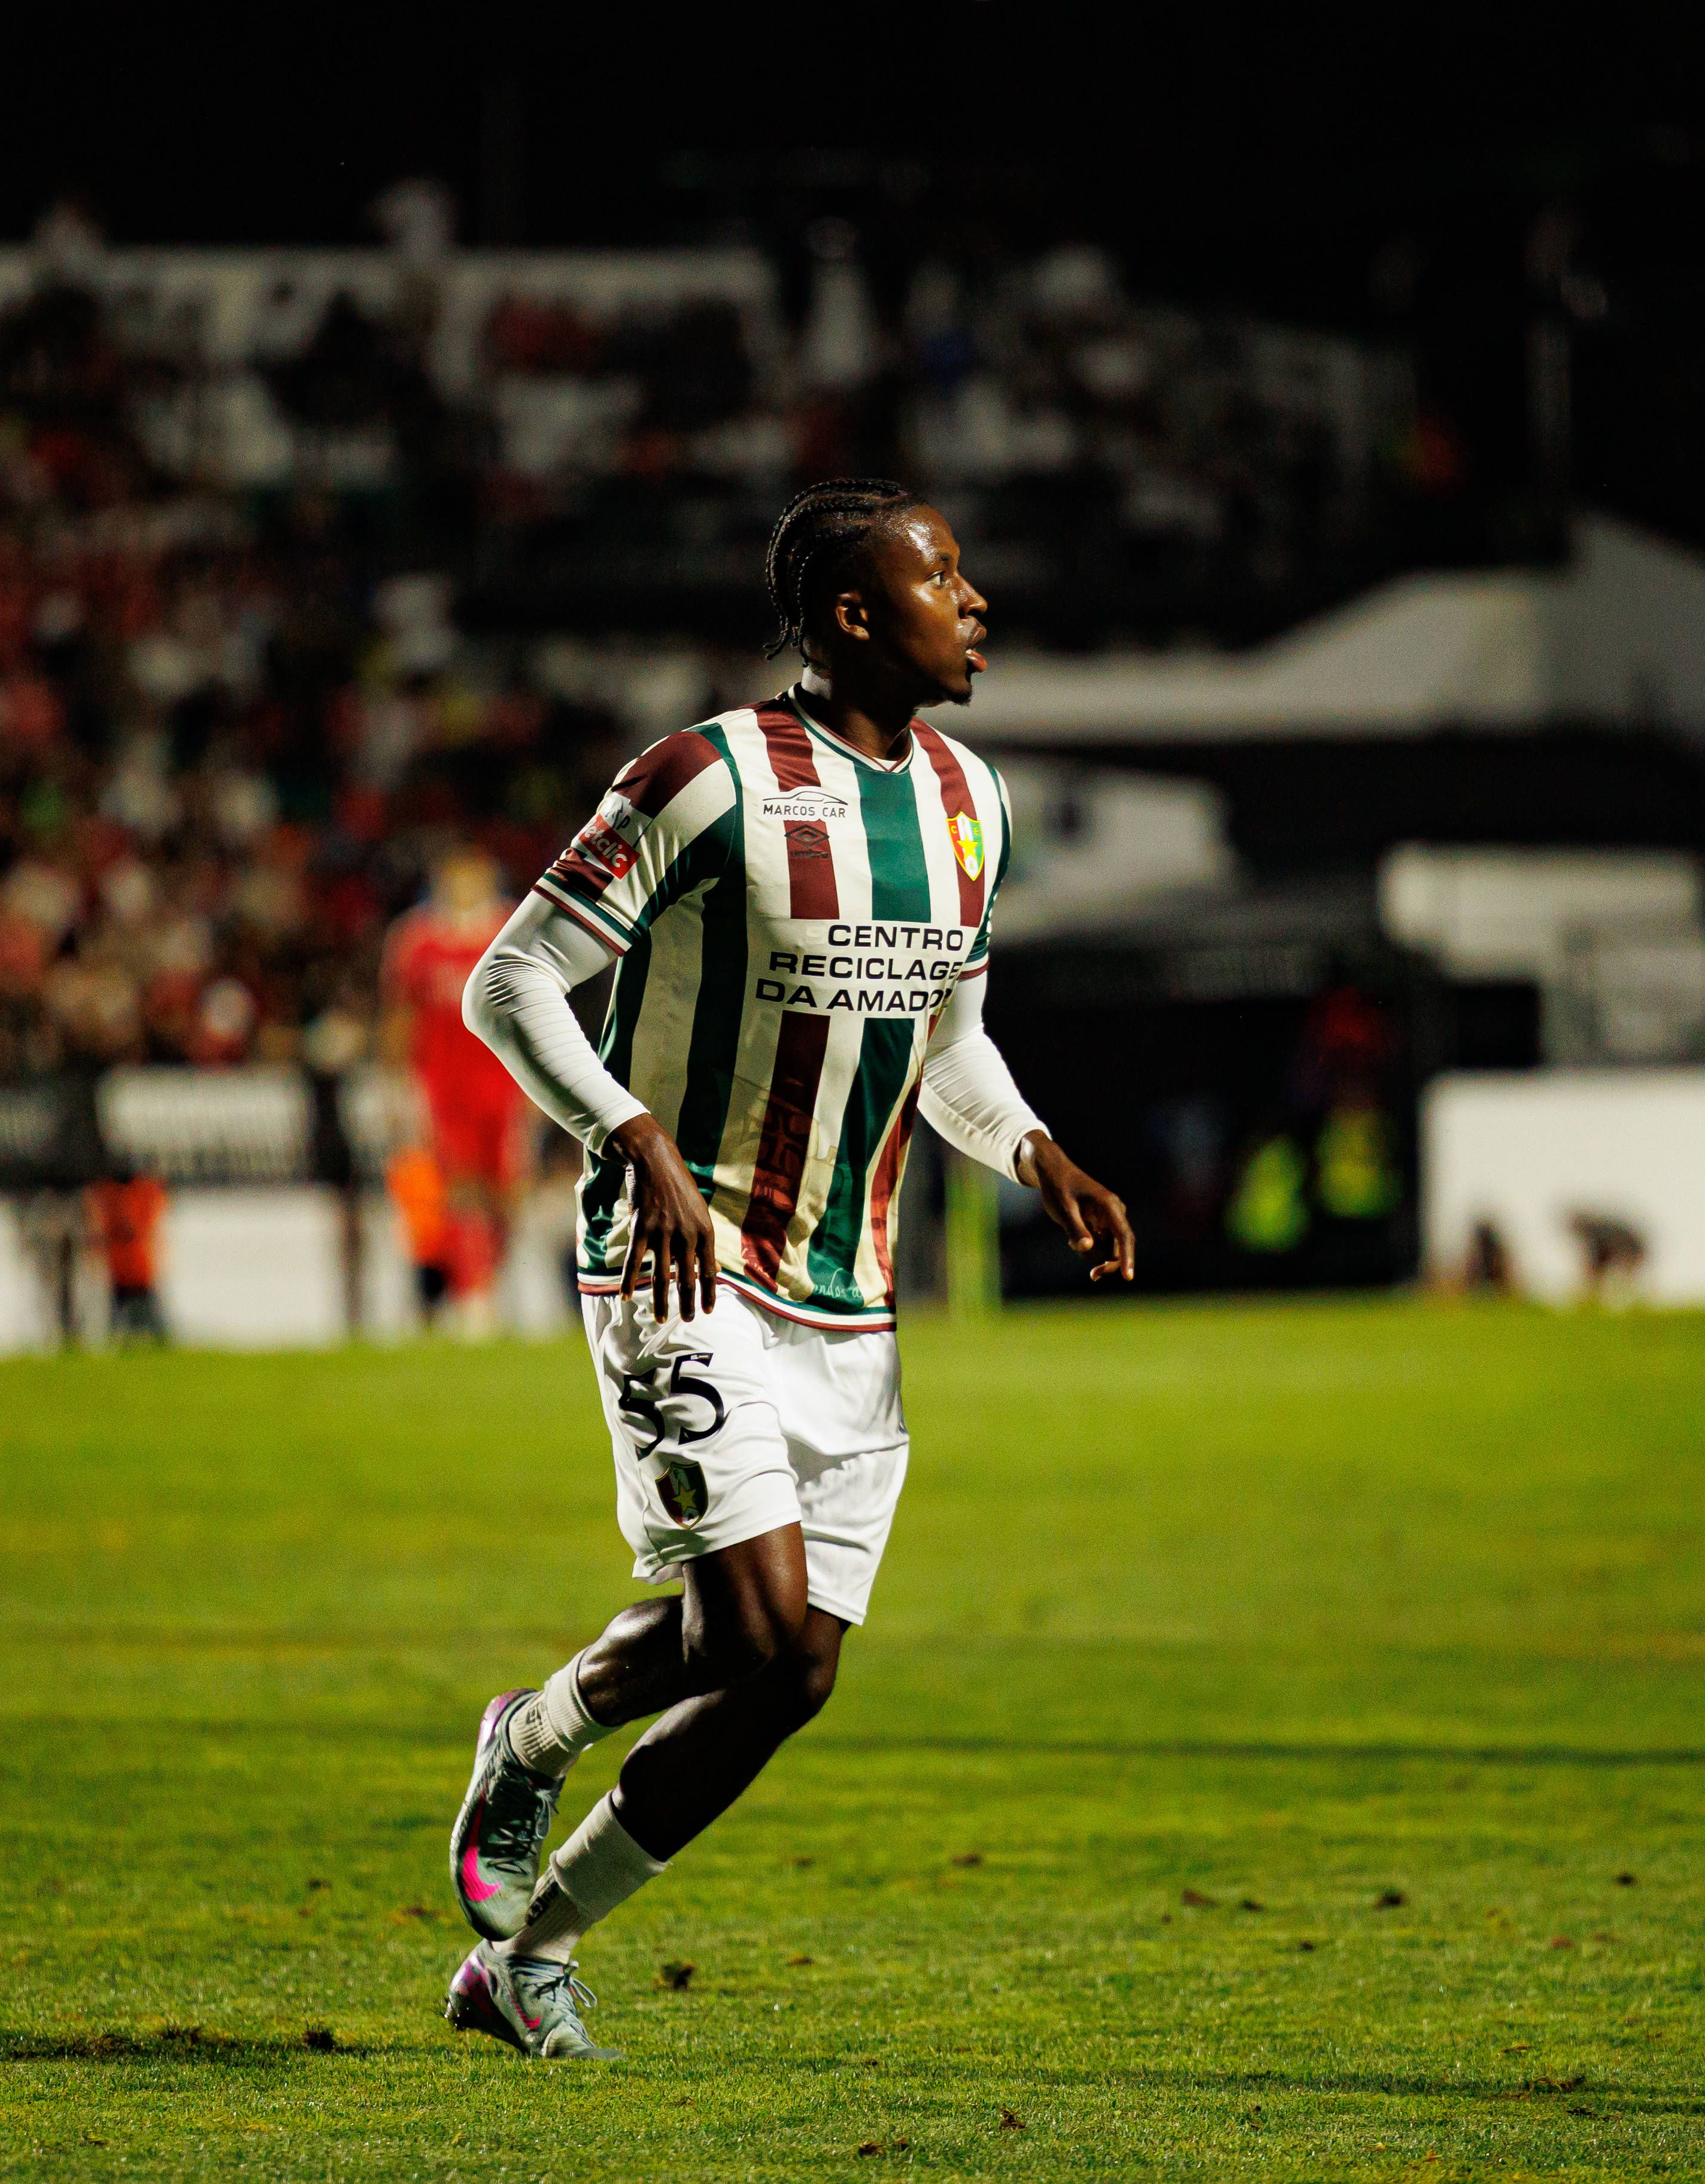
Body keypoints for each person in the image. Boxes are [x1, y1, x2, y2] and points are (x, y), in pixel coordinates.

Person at [445, 480, 1135, 2059]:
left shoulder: (977, 806)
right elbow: (516, 977)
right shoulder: (707, 778)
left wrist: (1035, 1150)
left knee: (795, 1676)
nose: (974, 604)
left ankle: (526, 1958)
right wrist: (631, 1134)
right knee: (746, 1623)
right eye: (940, 577)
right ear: (847, 616)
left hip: (851, 1287)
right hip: (678, 1260)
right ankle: (533, 1730)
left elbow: (950, 1043)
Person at [378, 847, 525, 1335]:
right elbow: (401, 1018)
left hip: (504, 1086)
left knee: (507, 1198)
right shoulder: (417, 940)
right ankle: (473, 1298)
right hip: (446, 1089)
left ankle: (488, 1281)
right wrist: (398, 1085)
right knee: (461, 1194)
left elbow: (531, 1014)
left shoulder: (511, 930)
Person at [86, 1155, 169, 1344]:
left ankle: (148, 1338)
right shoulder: (114, 1195)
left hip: (137, 1267)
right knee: (128, 1312)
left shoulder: (132, 1194)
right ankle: (128, 1339)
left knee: (145, 1311)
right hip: (124, 1267)